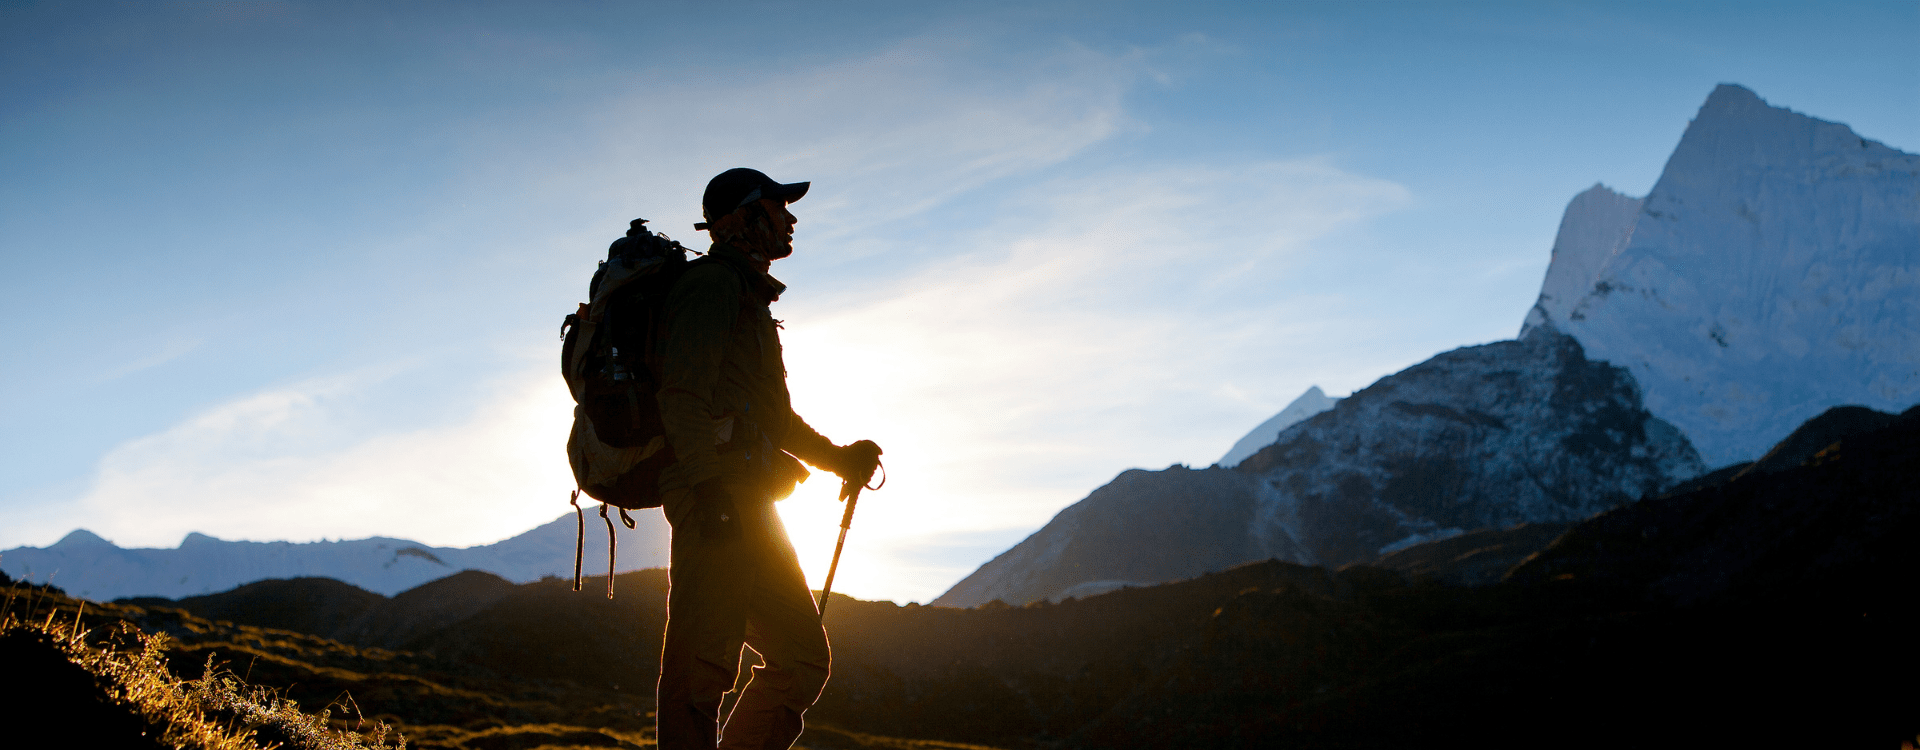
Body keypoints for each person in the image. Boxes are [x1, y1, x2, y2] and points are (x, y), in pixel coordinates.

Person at [653, 167, 882, 750]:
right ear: (743, 218)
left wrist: (840, 458)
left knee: (802, 661)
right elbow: (680, 395)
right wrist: (707, 492)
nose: (791, 216)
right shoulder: (710, 287)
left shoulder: (749, 300)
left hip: (748, 498)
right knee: (701, 668)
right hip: (716, 497)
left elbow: (774, 420)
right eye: (779, 205)